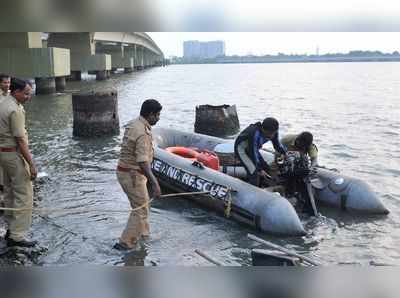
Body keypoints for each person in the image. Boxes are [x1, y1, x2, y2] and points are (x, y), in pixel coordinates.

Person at [114, 99, 162, 251]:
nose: (159, 118)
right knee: (140, 209)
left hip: (127, 172)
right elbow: (142, 161)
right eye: (157, 115)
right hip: (132, 174)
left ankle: (143, 235)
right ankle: (125, 243)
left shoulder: (135, 123)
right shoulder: (142, 132)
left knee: (142, 206)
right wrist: (155, 183)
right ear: (150, 114)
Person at [0, 78, 37, 247]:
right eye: (26, 93)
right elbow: (20, 140)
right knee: (24, 194)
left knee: (9, 191)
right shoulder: (15, 109)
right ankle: (17, 235)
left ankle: (10, 227)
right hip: (14, 155)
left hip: (3, 155)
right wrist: (32, 164)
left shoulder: (2, 102)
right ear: (16, 92)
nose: (29, 96)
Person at [234, 117, 287, 186]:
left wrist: (285, 153)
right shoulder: (254, 133)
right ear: (263, 130)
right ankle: (252, 190)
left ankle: (267, 185)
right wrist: (259, 169)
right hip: (242, 150)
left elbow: (277, 145)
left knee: (267, 168)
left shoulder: (274, 132)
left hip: (253, 149)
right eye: (269, 134)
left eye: (273, 133)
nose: (271, 136)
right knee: (254, 173)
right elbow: (252, 153)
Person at [0, 74, 11, 194]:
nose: (7, 85)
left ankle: (4, 184)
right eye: (5, 83)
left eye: (8, 82)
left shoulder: (10, 95)